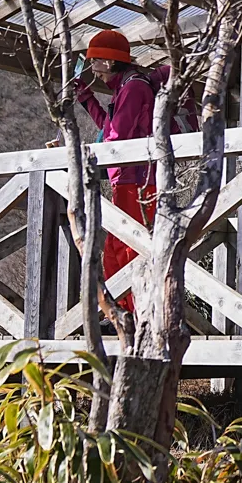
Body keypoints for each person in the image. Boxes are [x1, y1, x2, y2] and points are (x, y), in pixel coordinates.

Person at [74, 30, 162, 311]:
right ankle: (119, 308)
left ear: (109, 62)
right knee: (115, 244)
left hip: (136, 179)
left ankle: (132, 310)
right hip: (125, 178)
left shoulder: (134, 87)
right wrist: (87, 99)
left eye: (95, 61)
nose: (93, 69)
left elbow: (118, 137)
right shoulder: (124, 87)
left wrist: (87, 155)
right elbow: (110, 131)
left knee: (128, 246)